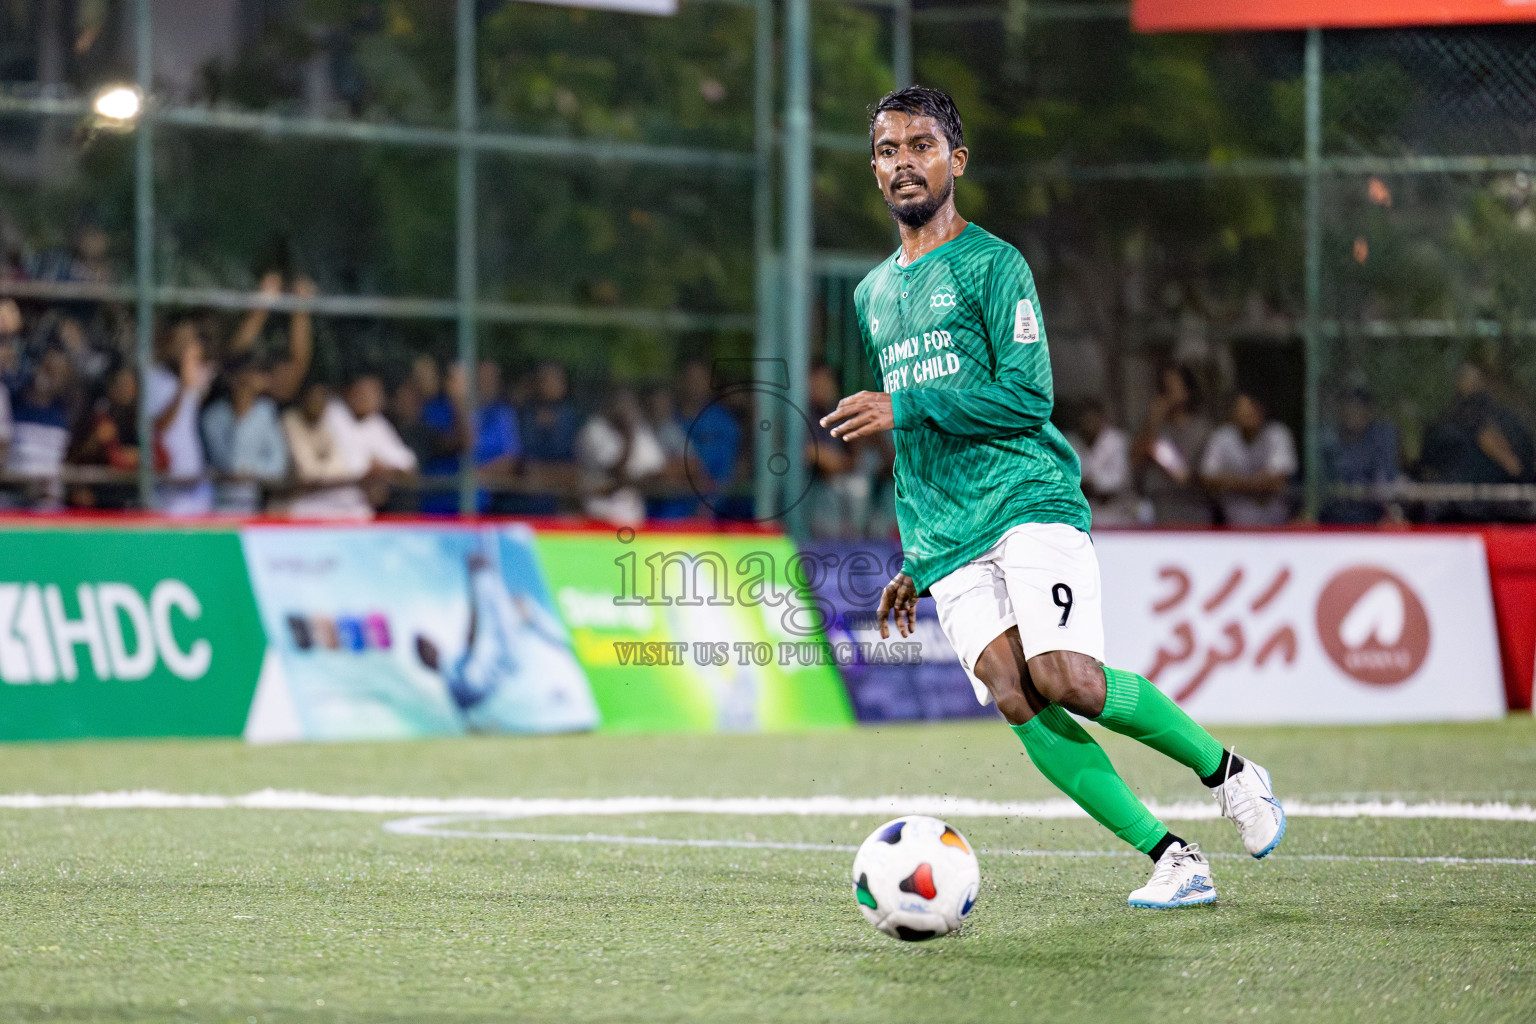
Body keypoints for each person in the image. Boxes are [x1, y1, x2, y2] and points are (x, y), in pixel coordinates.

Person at [821, 85, 1283, 910]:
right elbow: (915, 443)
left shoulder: (995, 266)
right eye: (887, 150)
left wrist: (908, 405)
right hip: (947, 532)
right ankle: (1173, 858)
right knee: (1012, 688)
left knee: (1064, 675)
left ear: (956, 161)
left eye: (920, 146)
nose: (902, 164)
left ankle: (1231, 772)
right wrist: (916, 554)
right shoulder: (871, 295)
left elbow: (1027, 397)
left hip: (1027, 497)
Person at [413, 550, 599, 734]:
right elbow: (473, 636)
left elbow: (473, 636)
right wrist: (478, 583)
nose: (431, 646)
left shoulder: (456, 669)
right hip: (500, 704)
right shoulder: (453, 674)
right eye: (425, 647)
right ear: (424, 660)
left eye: (428, 643)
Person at [1418, 361, 1535, 522]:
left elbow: (1515, 466)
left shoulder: (1499, 418)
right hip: (1458, 510)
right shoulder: (1451, 420)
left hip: (1485, 511)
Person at [420, 359, 520, 514]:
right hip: (438, 503)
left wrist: (477, 475)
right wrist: (458, 402)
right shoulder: (434, 409)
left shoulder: (500, 413)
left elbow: (510, 459)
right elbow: (461, 443)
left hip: (477, 505)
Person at [201, 353, 290, 513]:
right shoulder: (213, 416)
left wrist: (250, 472)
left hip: (255, 504)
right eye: (254, 372)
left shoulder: (266, 411)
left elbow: (278, 464)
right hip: (218, 506)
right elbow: (230, 462)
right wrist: (240, 411)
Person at [145, 318, 214, 515]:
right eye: (183, 340)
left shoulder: (185, 378)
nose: (187, 346)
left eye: (191, 340)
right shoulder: (154, 376)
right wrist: (183, 388)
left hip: (195, 481)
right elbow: (160, 425)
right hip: (168, 488)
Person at [1200, 391, 1298, 527]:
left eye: (1253, 410)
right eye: (1244, 412)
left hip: (1275, 527)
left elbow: (1277, 481)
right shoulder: (1222, 437)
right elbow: (1208, 479)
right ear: (1233, 415)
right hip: (1234, 526)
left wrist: (1229, 482)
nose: (1250, 415)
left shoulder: (1277, 433)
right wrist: (1258, 485)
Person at [1132, 365, 1214, 525]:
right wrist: (1153, 421)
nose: (1170, 391)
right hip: (1158, 505)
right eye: (1166, 386)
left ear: (1188, 390)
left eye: (1175, 385)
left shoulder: (1203, 429)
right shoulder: (1153, 427)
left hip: (1193, 506)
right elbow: (1135, 461)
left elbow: (1206, 476)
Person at [576, 387, 665, 527]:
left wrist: (627, 482)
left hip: (632, 515)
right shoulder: (594, 430)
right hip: (599, 513)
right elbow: (615, 471)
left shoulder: (638, 428)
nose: (626, 409)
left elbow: (657, 469)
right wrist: (628, 437)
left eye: (630, 404)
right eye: (621, 404)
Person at [5, 347, 74, 509]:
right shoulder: (14, 403)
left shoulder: (62, 414)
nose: (50, 377)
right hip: (11, 494)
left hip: (48, 503)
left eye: (57, 373)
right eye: (48, 369)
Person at [1320, 386, 1401, 525]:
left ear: (1368, 412)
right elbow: (1321, 482)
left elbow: (1386, 480)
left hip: (1371, 516)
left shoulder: (1380, 437)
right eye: (1348, 407)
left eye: (1358, 408)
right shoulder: (1329, 440)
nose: (1352, 412)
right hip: (1333, 517)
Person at [65, 360, 139, 510]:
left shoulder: (138, 420)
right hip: (94, 497)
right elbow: (73, 457)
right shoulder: (95, 417)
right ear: (110, 387)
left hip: (128, 498)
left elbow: (153, 458)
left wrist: (131, 455)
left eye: (130, 385)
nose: (126, 390)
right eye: (121, 384)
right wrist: (94, 441)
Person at [1068, 398, 1139, 528]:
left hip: (1117, 514)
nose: (1088, 424)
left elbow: (1119, 480)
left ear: (1101, 419)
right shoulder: (1072, 443)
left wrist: (1092, 483)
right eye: (1085, 420)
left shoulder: (1116, 441)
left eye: (1092, 419)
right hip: (1085, 516)